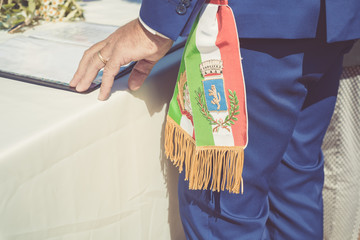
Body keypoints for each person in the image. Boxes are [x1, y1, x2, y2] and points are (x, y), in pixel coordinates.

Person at [70, 0, 360, 239]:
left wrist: (154, 27)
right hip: (327, 23)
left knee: (223, 211)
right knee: (293, 191)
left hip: (252, 25)